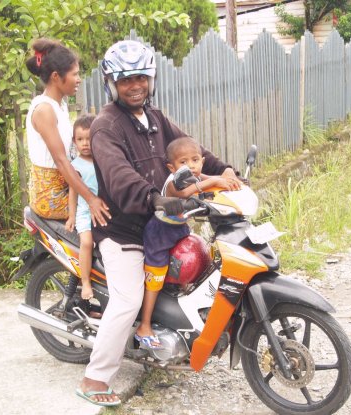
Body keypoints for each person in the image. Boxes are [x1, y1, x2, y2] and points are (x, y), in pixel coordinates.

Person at [75, 40, 242, 407]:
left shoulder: (154, 118)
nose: (135, 85)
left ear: (151, 78)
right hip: (124, 231)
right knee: (128, 299)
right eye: (125, 79)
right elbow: (119, 178)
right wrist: (153, 198)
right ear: (111, 83)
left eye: (141, 77)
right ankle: (95, 376)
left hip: (163, 220)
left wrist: (224, 169)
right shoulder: (106, 126)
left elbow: (190, 150)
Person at [136, 136, 241, 348]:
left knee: (194, 264)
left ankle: (177, 312)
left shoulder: (194, 174)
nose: (190, 166)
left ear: (202, 160)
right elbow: (186, 192)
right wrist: (213, 182)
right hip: (160, 235)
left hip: (179, 230)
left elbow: (207, 180)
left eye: (195, 160)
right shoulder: (175, 181)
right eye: (183, 162)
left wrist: (228, 182)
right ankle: (144, 325)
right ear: (171, 166)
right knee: (155, 279)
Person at [25, 38, 110, 226]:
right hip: (51, 196)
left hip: (65, 186)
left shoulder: (59, 105)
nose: (79, 79)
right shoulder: (44, 110)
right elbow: (61, 161)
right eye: (75, 74)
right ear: (56, 77)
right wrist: (90, 199)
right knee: (110, 211)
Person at [65, 114, 97, 300]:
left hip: (104, 211)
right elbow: (73, 192)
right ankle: (85, 281)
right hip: (85, 211)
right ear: (74, 141)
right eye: (80, 139)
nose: (85, 143)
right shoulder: (75, 166)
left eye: (89, 139)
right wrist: (72, 216)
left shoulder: (103, 161)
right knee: (86, 242)